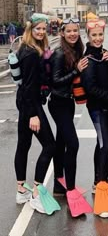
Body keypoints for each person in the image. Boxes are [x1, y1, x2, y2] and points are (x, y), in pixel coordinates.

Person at [15, 13, 60, 215]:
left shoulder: (25, 48)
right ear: (30, 30)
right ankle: (35, 192)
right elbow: (30, 86)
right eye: (38, 29)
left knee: (23, 145)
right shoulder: (32, 54)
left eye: (43, 29)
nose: (41, 32)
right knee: (50, 145)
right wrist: (33, 114)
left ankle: (21, 190)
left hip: (23, 102)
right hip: (30, 104)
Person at [81, 19, 108, 218]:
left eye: (100, 35)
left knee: (103, 146)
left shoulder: (103, 54)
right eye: (94, 36)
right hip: (98, 109)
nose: (98, 39)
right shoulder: (89, 59)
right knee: (105, 145)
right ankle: (102, 193)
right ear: (88, 38)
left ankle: (98, 182)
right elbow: (91, 89)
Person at [48, 18, 92, 217]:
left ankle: (59, 183)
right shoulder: (59, 53)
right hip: (58, 103)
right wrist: (76, 70)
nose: (73, 34)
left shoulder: (75, 50)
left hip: (66, 102)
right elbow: (55, 82)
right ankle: (71, 189)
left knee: (61, 142)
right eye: (69, 31)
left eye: (76, 30)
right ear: (62, 33)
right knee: (72, 144)